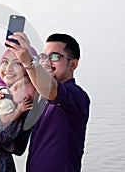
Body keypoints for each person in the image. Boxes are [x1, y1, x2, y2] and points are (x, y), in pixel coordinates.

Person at [5, 33, 90, 172]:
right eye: (44, 56)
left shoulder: (77, 96)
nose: (47, 62)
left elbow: (52, 90)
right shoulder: (39, 97)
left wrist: (29, 63)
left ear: (73, 64)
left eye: (55, 57)